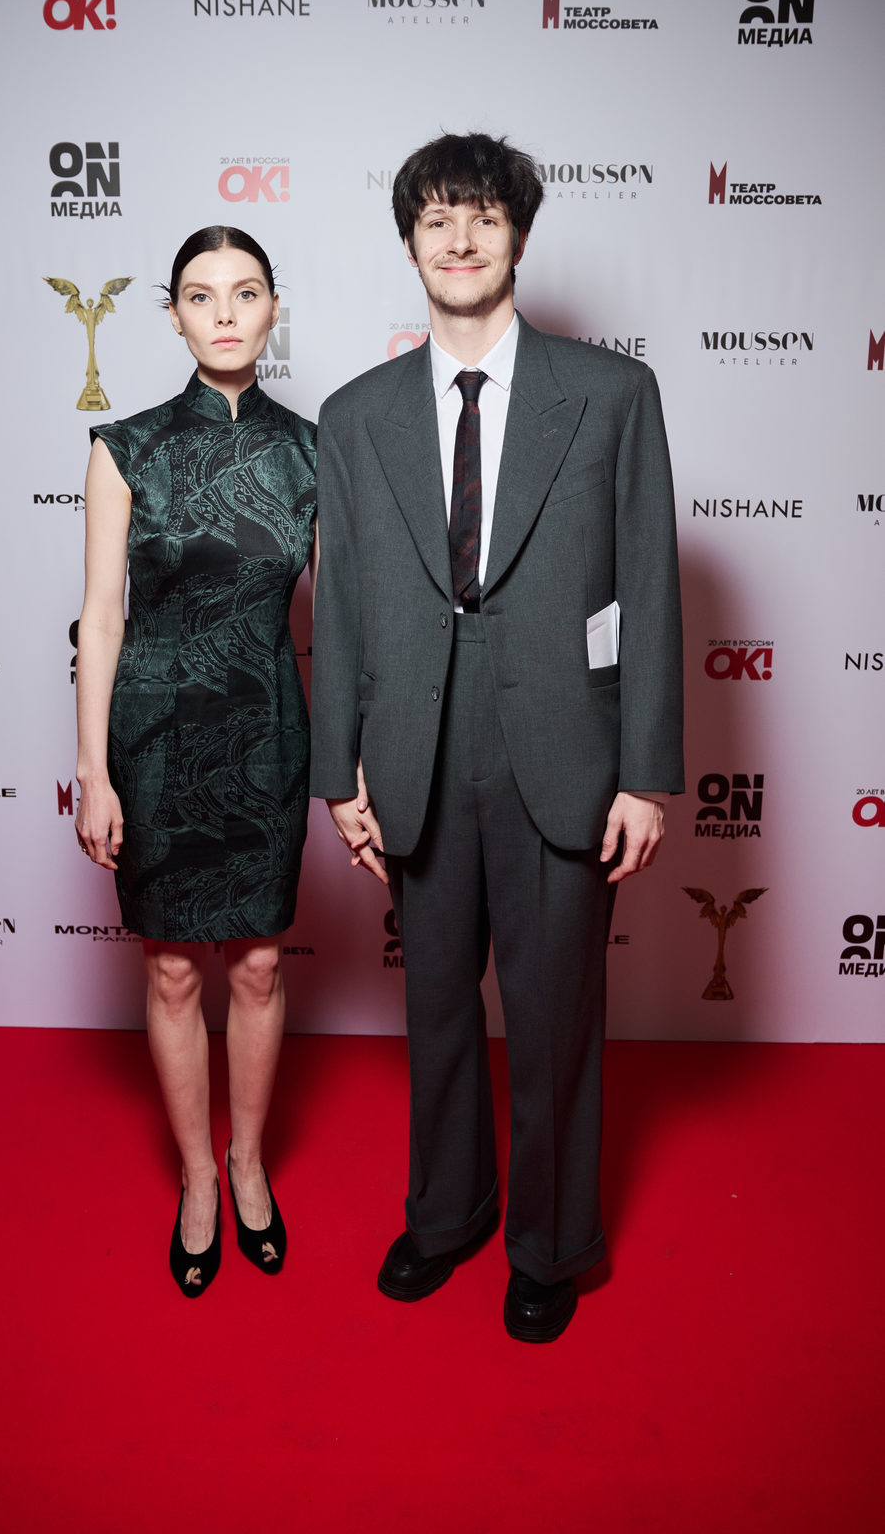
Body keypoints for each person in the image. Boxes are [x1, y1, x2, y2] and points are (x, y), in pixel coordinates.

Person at [310, 133, 683, 1341]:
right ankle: (447, 1211)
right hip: (411, 747)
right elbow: (342, 601)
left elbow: (650, 586)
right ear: (408, 243)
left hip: (563, 747)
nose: (458, 238)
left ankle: (549, 1241)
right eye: (435, 219)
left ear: (516, 234)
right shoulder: (354, 415)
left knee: (554, 1010)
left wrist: (645, 775)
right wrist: (336, 772)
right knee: (433, 1007)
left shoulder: (610, 395)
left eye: (480, 216)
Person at [75, 225, 316, 1297]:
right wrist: (94, 771)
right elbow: (101, 618)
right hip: (155, 738)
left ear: (272, 309)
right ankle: (196, 1179)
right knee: (172, 969)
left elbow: (343, 622)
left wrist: (351, 765)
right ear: (172, 315)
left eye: (245, 292)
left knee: (258, 965)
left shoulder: (313, 452)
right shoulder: (124, 446)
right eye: (201, 295)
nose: (224, 312)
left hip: (266, 732)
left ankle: (248, 1160)